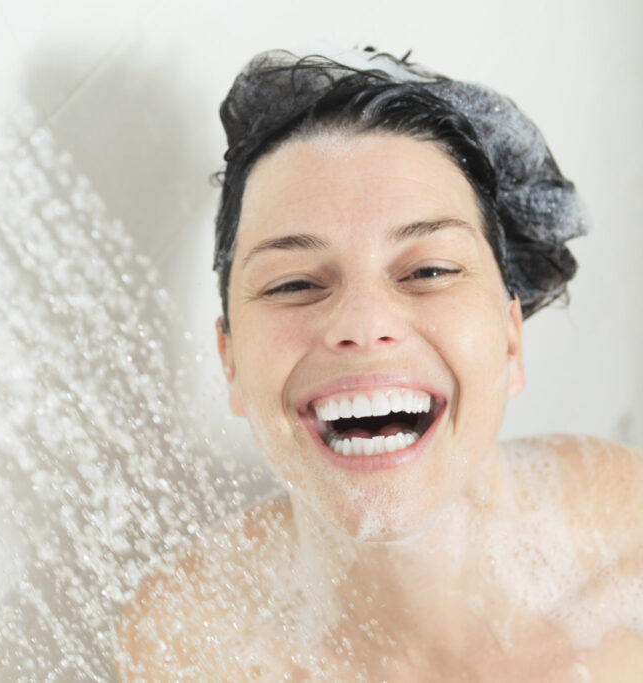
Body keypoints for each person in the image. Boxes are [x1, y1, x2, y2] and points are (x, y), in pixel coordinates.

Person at [115, 48, 643, 681]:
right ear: (230, 362)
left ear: (510, 341)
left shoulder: (627, 553)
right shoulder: (189, 643)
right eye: (292, 284)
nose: (363, 325)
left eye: (428, 271)